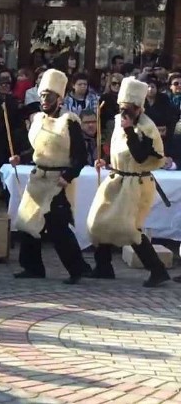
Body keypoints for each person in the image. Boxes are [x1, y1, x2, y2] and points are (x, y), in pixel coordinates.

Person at [87, 77, 172, 287]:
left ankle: (157, 270)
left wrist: (129, 130)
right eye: (122, 108)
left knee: (129, 228)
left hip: (136, 185)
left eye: (130, 109)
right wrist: (105, 161)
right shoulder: (117, 121)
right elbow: (116, 149)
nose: (125, 113)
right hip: (117, 179)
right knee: (99, 222)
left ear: (139, 108)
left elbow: (141, 157)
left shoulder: (147, 128)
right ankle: (104, 266)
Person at [9, 69, 92, 284]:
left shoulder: (69, 122)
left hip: (57, 180)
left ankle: (77, 269)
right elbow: (38, 150)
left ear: (60, 98)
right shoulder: (38, 120)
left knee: (57, 227)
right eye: (42, 95)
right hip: (38, 178)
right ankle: (32, 267)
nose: (44, 100)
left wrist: (68, 176)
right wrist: (21, 157)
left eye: (49, 96)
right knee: (28, 222)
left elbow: (80, 156)